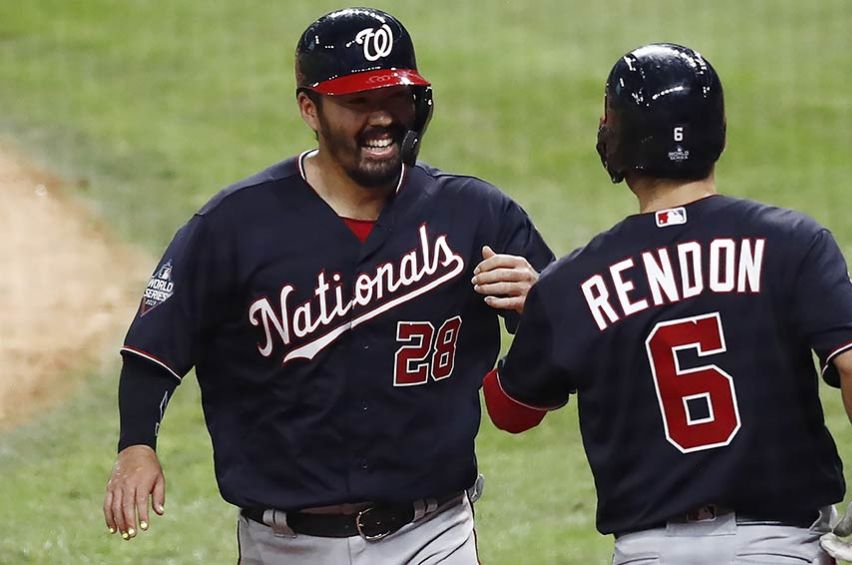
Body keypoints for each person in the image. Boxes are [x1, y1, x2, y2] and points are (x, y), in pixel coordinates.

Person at [102, 7, 553, 564]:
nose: (382, 118)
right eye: (359, 103)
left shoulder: (477, 215)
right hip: (282, 546)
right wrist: (137, 444)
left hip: (432, 535)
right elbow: (155, 350)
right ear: (309, 109)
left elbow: (567, 343)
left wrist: (540, 303)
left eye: (394, 98)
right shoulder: (233, 226)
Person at [482, 43, 852, 564]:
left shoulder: (572, 284)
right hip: (781, 549)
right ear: (718, 132)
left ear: (614, 139)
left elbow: (511, 411)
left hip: (650, 553)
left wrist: (547, 313)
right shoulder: (792, 242)